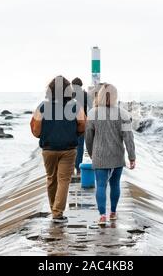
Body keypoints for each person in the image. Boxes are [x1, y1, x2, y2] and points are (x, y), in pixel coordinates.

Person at [30, 76, 86, 223]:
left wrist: (45, 135)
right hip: (68, 148)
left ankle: (53, 209)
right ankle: (57, 213)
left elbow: (35, 129)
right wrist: (74, 133)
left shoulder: (42, 106)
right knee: (64, 180)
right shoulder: (75, 106)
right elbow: (82, 124)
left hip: (48, 149)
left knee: (51, 179)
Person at [85, 84, 136, 225]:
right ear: (115, 96)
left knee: (100, 185)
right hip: (117, 155)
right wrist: (132, 157)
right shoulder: (123, 114)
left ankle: (102, 216)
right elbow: (128, 137)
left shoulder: (92, 114)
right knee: (115, 184)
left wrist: (91, 153)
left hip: (100, 156)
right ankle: (113, 212)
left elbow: (88, 137)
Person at [71, 77, 89, 175]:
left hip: (72, 124)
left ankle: (73, 167)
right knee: (80, 146)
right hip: (82, 123)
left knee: (72, 146)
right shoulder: (86, 95)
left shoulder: (71, 95)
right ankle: (78, 169)